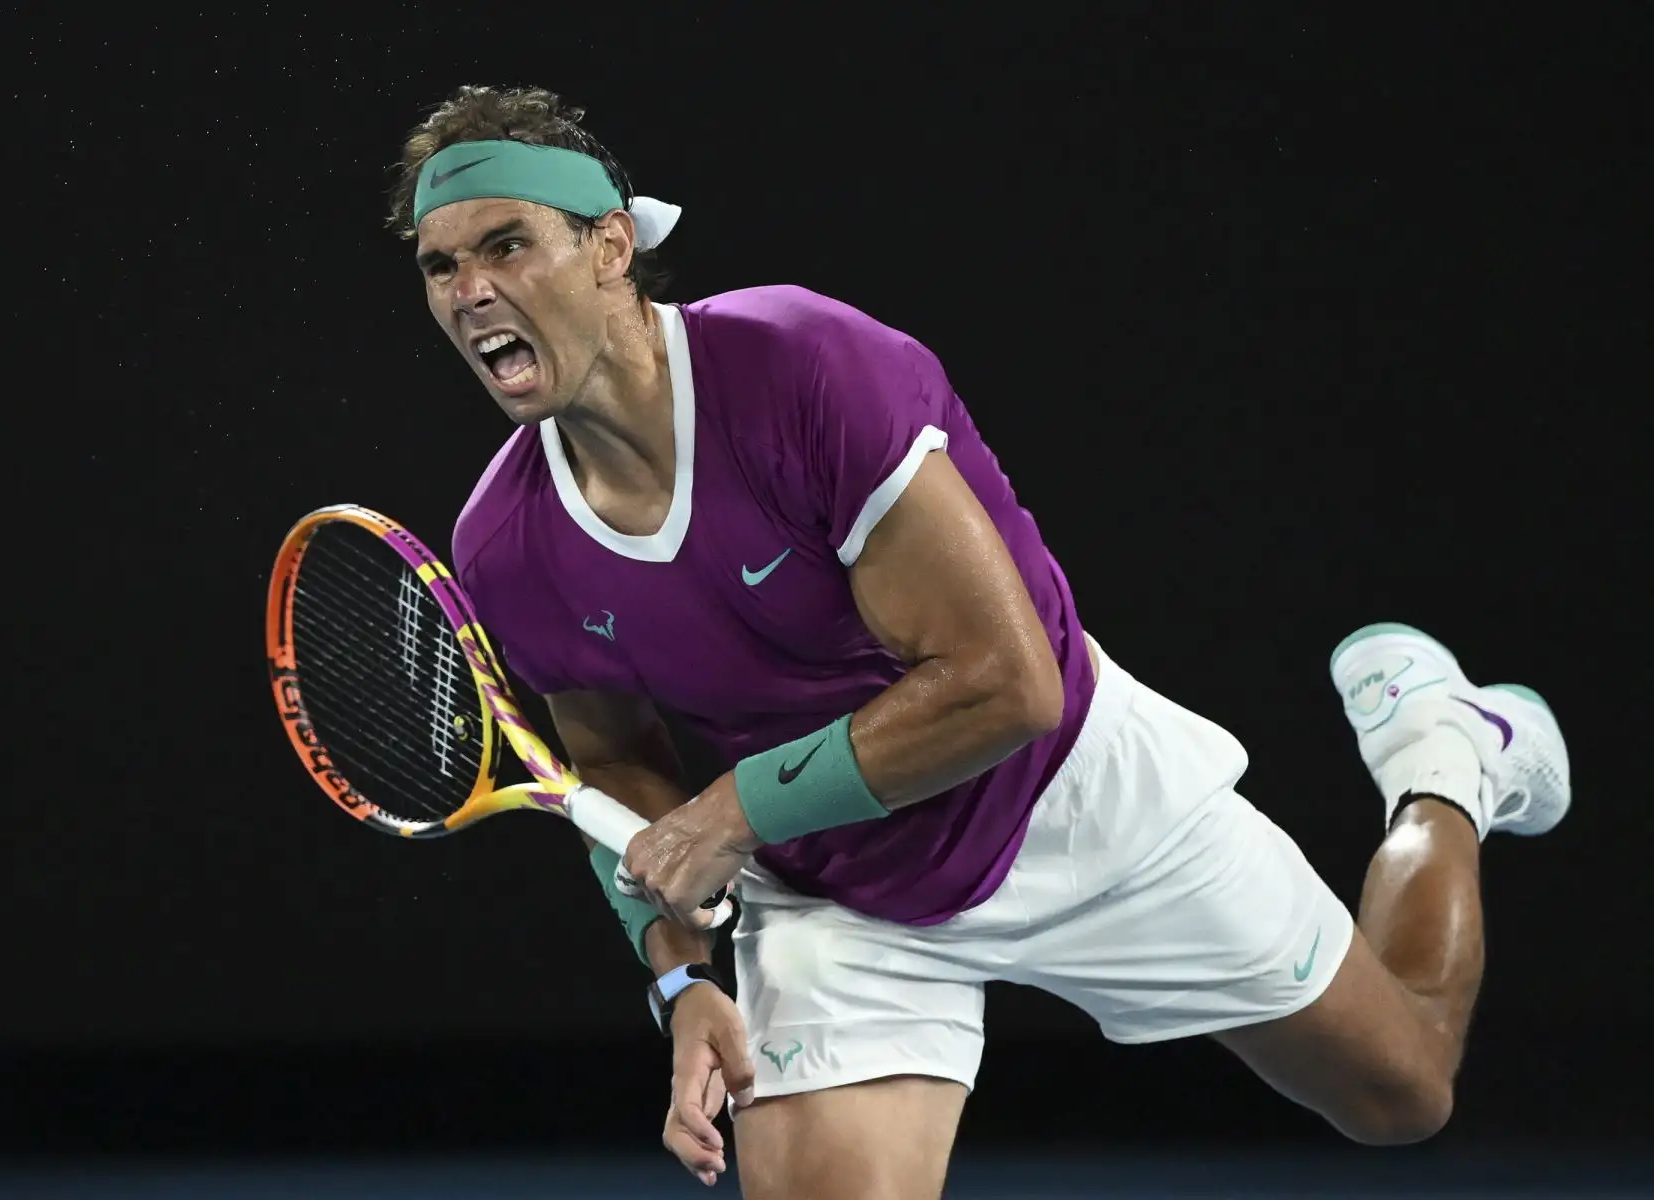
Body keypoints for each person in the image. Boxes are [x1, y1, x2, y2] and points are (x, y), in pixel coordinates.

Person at [390, 85, 1572, 1198]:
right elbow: (616, 769)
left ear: (611, 247)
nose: (469, 290)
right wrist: (680, 978)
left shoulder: (803, 369)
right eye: (442, 265)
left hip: (1072, 796)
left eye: (507, 245)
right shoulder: (505, 543)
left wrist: (734, 812)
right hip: (841, 896)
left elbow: (1006, 687)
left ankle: (1443, 760)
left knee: (1403, 1092)